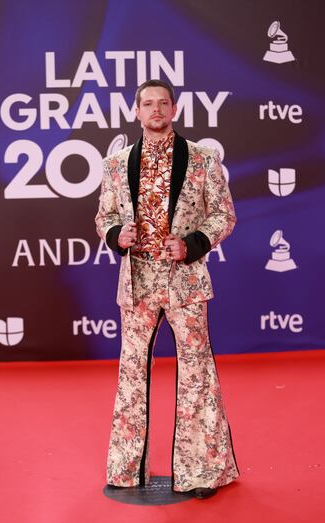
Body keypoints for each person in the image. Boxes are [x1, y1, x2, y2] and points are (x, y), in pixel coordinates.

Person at [95, 79, 239, 499]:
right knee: (131, 375)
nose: (155, 109)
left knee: (197, 374)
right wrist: (116, 234)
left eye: (163, 103)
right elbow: (103, 217)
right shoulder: (115, 164)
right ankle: (125, 472)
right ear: (136, 111)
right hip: (137, 285)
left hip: (187, 285)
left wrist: (193, 244)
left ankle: (202, 472)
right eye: (147, 103)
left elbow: (223, 216)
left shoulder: (203, 159)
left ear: (174, 109)